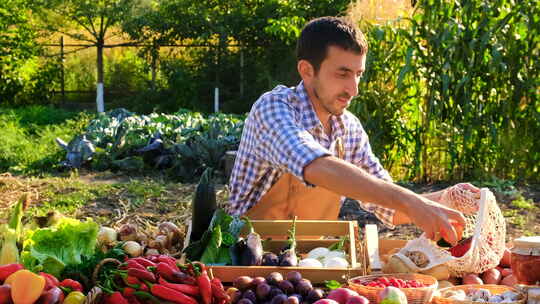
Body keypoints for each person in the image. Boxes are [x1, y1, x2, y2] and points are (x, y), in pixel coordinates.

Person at [226, 16, 473, 246]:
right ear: (307, 70)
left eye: (358, 75)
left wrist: (448, 198)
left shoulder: (348, 128)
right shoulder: (274, 108)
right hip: (243, 260)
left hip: (311, 263)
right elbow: (315, 165)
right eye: (342, 74)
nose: (353, 89)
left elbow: (391, 208)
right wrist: (411, 201)